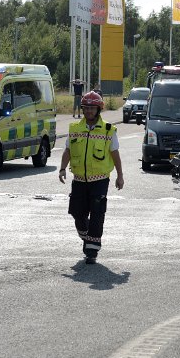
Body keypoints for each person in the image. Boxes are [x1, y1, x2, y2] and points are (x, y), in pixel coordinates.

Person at [58, 91, 124, 264]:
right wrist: (62, 168)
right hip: (79, 180)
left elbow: (115, 153)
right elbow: (68, 151)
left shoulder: (109, 130)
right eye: (86, 108)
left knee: (97, 214)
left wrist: (120, 176)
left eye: (92, 108)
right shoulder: (74, 129)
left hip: (100, 180)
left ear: (99, 109)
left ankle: (92, 251)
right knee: (77, 213)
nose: (88, 111)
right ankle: (87, 236)